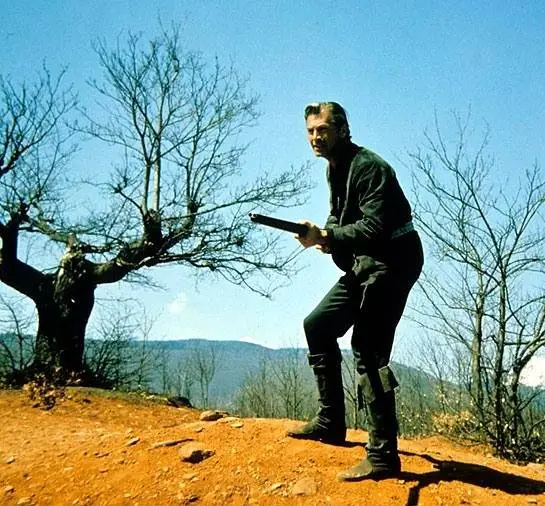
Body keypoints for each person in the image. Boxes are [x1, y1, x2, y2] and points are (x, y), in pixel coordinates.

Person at [286, 102, 424, 481]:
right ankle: (331, 422)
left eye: (323, 130)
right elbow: (340, 216)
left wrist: (328, 235)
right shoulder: (335, 167)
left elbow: (374, 227)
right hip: (365, 261)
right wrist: (321, 233)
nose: (315, 137)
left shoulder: (370, 167)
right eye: (311, 131)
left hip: (393, 260)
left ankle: (382, 456)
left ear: (343, 130)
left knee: (368, 348)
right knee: (318, 325)